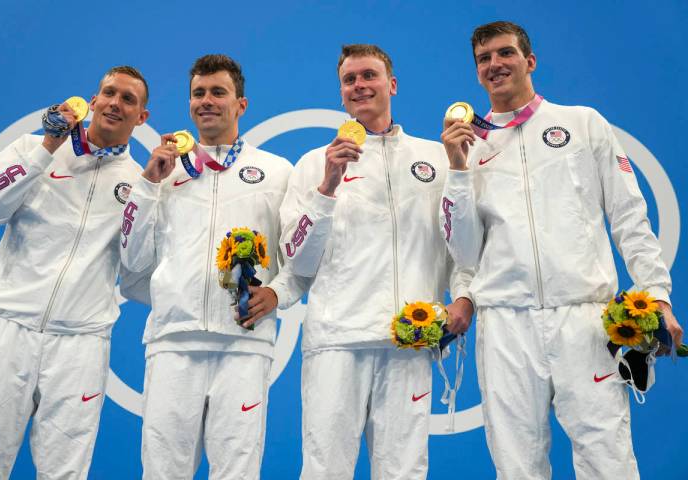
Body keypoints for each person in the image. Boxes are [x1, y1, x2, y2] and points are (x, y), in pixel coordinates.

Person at [439, 20, 683, 479]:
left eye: (505, 53)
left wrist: (658, 294)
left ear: (529, 61)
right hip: (507, 324)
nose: (495, 65)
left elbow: (630, 216)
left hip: (583, 319)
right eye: (484, 59)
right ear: (476, 74)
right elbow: (464, 252)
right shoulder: (465, 147)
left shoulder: (582, 123)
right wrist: (455, 171)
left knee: (607, 459)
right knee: (517, 467)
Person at [279, 44, 473, 479]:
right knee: (325, 469)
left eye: (369, 75)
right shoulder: (313, 164)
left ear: (392, 84)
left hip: (408, 338)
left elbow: (461, 244)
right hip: (337, 341)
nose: (360, 85)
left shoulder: (436, 158)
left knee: (404, 471)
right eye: (350, 80)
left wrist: (463, 296)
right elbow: (298, 260)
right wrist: (327, 187)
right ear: (341, 94)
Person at [120, 54, 302, 480]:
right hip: (172, 344)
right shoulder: (163, 172)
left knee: (237, 471)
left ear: (241, 104)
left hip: (243, 345)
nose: (207, 101)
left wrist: (278, 294)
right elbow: (132, 259)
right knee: (163, 471)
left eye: (218, 92)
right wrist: (147, 185)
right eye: (198, 93)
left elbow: (299, 256)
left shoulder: (277, 171)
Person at [0, 66, 150, 479]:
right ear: (93, 99)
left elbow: (138, 266)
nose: (115, 104)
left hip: (80, 344)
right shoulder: (35, 148)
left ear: (142, 118)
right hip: (8, 330)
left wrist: (149, 194)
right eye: (109, 93)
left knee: (64, 472)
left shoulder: (139, 184)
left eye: (128, 99)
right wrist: (46, 148)